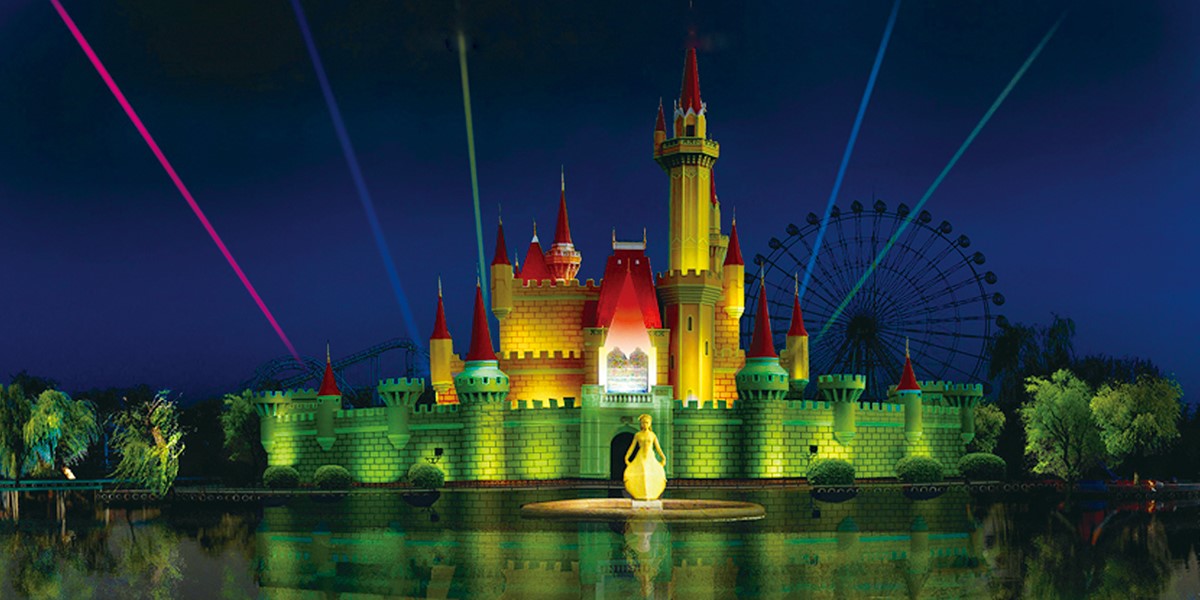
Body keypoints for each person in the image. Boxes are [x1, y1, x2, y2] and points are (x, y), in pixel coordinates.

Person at [623, 414, 667, 501]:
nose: (645, 424)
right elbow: (632, 447)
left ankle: (651, 493)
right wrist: (626, 457)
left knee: (651, 473)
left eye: (647, 422)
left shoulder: (652, 435)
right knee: (640, 472)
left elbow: (658, 448)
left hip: (650, 456)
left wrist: (663, 457)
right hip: (640, 456)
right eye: (643, 423)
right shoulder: (638, 435)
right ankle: (639, 493)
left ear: (650, 424)